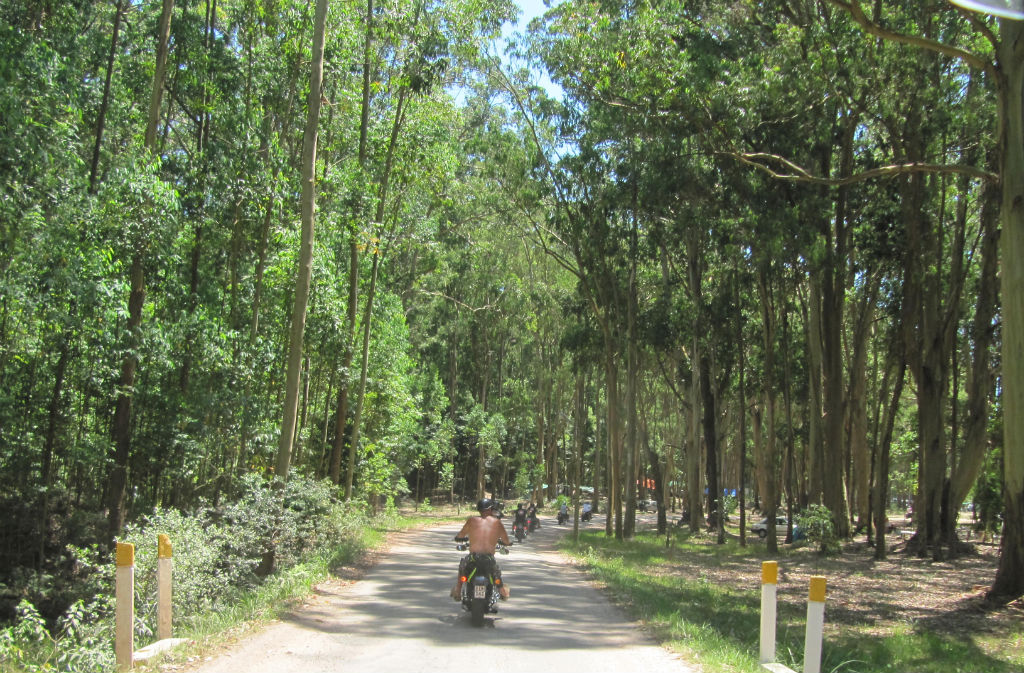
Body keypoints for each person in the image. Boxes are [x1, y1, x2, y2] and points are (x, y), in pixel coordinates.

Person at [451, 498, 511, 601]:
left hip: (473, 558)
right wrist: (507, 543)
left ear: (479, 510)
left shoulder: (471, 520)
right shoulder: (497, 522)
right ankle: (503, 592)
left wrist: (458, 538)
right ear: (490, 509)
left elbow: (461, 535)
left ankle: (458, 590)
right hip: (488, 559)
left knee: (463, 569)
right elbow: (506, 540)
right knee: (496, 576)